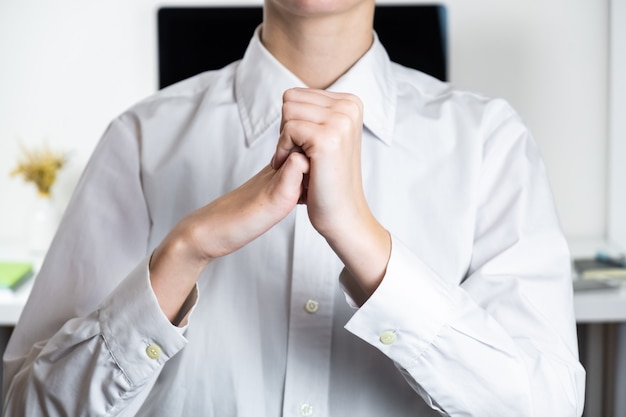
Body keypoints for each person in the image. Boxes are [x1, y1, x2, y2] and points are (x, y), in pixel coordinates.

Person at [2, 0, 585, 415]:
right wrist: (185, 250)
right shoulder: (139, 140)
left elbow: (543, 408)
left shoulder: (490, 142)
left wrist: (366, 244)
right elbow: (27, 407)